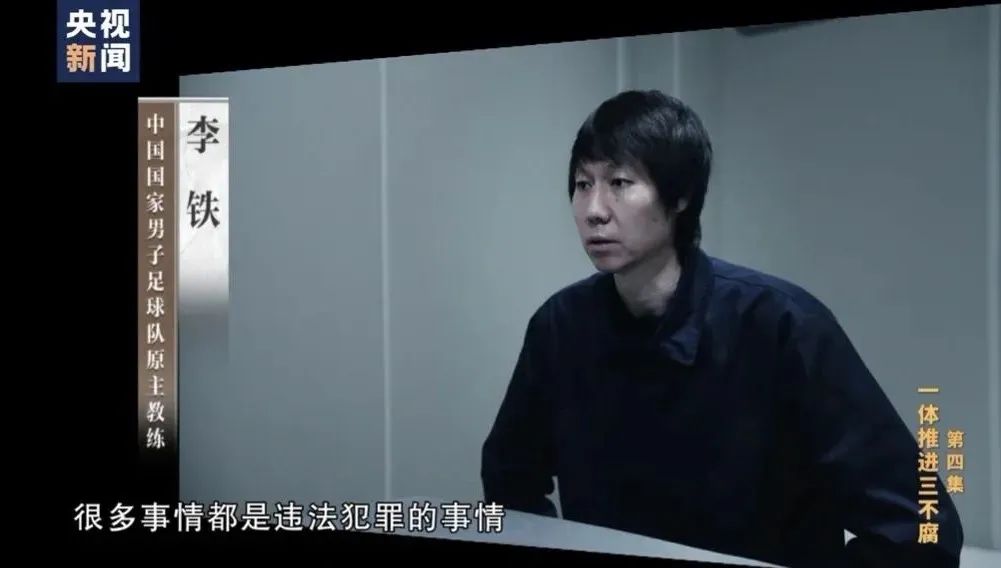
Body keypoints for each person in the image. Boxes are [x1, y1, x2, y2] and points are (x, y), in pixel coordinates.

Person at [480, 90, 963, 568]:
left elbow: (924, 525)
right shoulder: (559, 327)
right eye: (583, 184)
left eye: (620, 182)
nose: (594, 210)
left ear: (681, 196)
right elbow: (510, 482)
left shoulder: (783, 324)